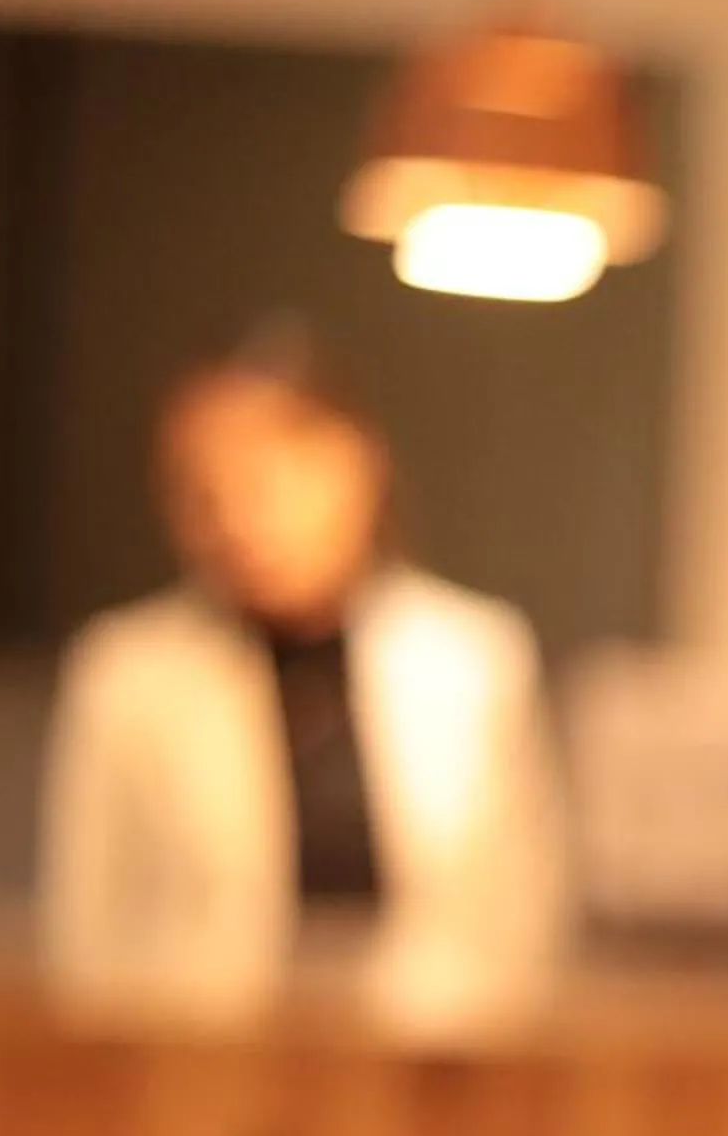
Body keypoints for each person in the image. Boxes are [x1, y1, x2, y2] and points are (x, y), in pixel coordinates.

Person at [40, 332, 569, 1016]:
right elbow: (89, 932)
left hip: (429, 1069)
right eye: (200, 490)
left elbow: (526, 918)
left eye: (261, 477)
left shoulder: (475, 663)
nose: (233, 517)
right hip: (197, 1065)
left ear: (355, 462)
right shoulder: (129, 676)